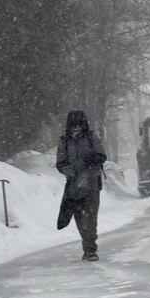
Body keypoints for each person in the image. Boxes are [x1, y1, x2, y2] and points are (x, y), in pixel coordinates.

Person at [56, 110, 107, 261]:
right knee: (79, 218)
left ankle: (90, 247)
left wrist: (85, 163)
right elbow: (60, 163)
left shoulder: (92, 138)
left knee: (90, 216)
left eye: (79, 126)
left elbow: (101, 156)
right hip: (74, 186)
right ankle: (88, 244)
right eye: (73, 127)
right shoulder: (64, 141)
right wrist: (69, 169)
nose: (76, 129)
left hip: (92, 183)